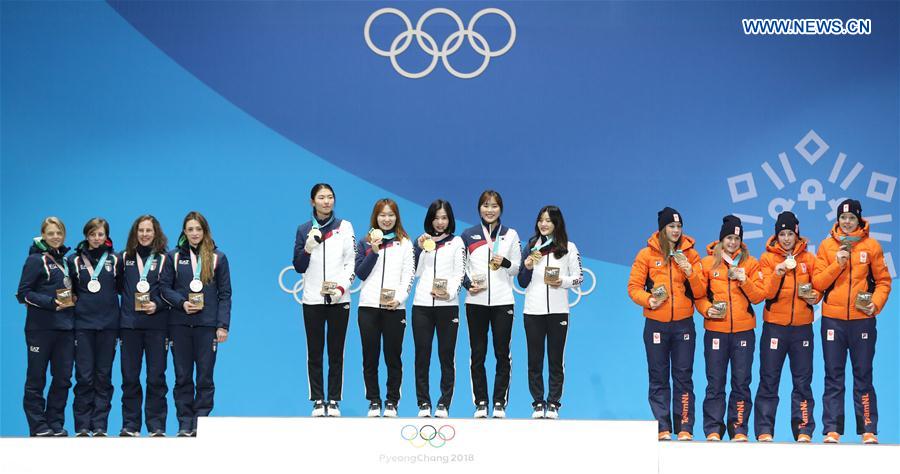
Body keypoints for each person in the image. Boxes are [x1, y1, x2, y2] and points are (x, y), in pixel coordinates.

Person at [812, 199, 892, 444]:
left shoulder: (872, 246)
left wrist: (875, 304)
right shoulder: (827, 247)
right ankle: (832, 428)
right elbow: (818, 283)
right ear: (838, 220)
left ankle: (868, 428)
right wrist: (838, 263)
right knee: (833, 375)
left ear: (859, 220)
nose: (847, 223)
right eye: (843, 218)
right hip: (833, 321)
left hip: (862, 322)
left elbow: (883, 282)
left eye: (851, 218)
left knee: (863, 374)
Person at [627, 207, 704, 441]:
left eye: (679, 226)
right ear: (662, 229)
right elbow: (633, 288)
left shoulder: (690, 254)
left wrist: (690, 271)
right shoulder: (646, 255)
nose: (676, 230)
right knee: (658, 375)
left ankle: (684, 426)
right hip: (656, 325)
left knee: (683, 376)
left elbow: (700, 291)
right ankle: (662, 426)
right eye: (671, 226)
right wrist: (649, 300)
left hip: (683, 325)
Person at [695, 215, 766, 442]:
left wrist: (744, 280)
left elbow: (758, 297)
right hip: (716, 331)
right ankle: (713, 429)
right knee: (715, 382)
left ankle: (739, 428)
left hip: (744, 332)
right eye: (729, 238)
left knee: (741, 382)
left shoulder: (751, 264)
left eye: (736, 238)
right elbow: (698, 295)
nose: (733, 242)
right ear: (721, 239)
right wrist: (707, 310)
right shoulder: (707, 263)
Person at [161, 211, 232, 436]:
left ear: (205, 231)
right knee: (182, 376)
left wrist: (222, 325)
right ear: (184, 231)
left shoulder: (217, 257)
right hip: (179, 325)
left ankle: (201, 422)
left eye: (198, 229)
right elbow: (164, 288)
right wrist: (182, 303)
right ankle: (184, 422)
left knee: (204, 376)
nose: (194, 233)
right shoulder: (173, 256)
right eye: (190, 229)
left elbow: (225, 294)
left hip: (207, 326)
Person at [753, 211, 820, 443]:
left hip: (802, 328)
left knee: (802, 382)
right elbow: (765, 294)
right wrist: (778, 272)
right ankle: (764, 430)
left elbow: (819, 285)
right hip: (775, 328)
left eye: (790, 233)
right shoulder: (767, 259)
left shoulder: (809, 259)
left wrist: (816, 296)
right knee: (769, 380)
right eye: (782, 234)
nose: (786, 238)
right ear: (776, 235)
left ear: (797, 233)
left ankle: (803, 429)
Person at [292, 183, 356, 417]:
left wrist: (340, 288)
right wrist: (308, 248)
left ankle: (334, 400)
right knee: (315, 351)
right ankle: (318, 399)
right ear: (312, 202)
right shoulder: (303, 229)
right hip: (312, 299)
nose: (326, 201)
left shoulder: (345, 227)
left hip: (340, 299)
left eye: (330, 197)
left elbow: (352, 262)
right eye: (321, 197)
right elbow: (298, 265)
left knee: (336, 351)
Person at [460, 190, 521, 418]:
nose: (489, 209)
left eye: (494, 205)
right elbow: (461, 267)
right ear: (479, 208)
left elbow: (517, 268)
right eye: (485, 205)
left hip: (503, 300)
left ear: (501, 209)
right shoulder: (468, 234)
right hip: (475, 301)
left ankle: (499, 402)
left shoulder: (511, 234)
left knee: (502, 352)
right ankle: (481, 402)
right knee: (478, 353)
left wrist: (504, 262)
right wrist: (467, 284)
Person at [518, 205, 582, 419]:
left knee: (556, 359)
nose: (544, 224)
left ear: (557, 224)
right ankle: (537, 402)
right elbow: (521, 281)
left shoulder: (568, 247)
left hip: (558, 312)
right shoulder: (530, 246)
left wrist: (561, 281)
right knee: (534, 360)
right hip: (533, 311)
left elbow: (579, 277)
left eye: (548, 221)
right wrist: (526, 266)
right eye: (541, 220)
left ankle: (554, 403)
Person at [354, 199, 414, 417]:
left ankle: (392, 401)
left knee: (393, 356)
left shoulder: (405, 243)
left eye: (391, 215)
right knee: (370, 357)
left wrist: (399, 299)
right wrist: (374, 251)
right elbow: (360, 273)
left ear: (396, 217)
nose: (386, 219)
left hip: (394, 308)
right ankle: (373, 400)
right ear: (375, 217)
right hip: (368, 307)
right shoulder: (364, 242)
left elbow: (408, 275)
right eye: (382, 215)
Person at [16, 217, 76, 437]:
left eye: (59, 233)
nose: (55, 237)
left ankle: (55, 423)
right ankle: (38, 425)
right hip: (40, 329)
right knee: (37, 377)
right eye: (50, 233)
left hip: (65, 330)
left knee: (63, 378)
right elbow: (23, 294)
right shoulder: (35, 260)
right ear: (43, 235)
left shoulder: (67, 261)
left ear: (64, 235)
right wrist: (51, 303)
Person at [411, 199, 465, 418]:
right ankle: (423, 403)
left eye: (444, 218)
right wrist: (419, 248)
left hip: (447, 307)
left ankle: (444, 403)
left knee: (446, 355)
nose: (440, 222)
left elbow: (460, 273)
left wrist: (449, 292)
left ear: (449, 219)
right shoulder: (424, 242)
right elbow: (414, 272)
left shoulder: (457, 242)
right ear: (430, 219)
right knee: (422, 355)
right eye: (436, 217)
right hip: (422, 306)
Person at [118, 215, 169, 437]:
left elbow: (170, 290)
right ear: (135, 233)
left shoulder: (166, 259)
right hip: (129, 326)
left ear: (156, 233)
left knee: (156, 377)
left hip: (157, 326)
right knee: (130, 377)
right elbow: (118, 287)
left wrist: (156, 304)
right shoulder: (124, 258)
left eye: (149, 230)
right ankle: (131, 425)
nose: (145, 234)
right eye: (141, 230)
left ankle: (156, 426)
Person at [68, 218, 120, 437]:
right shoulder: (74, 260)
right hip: (83, 326)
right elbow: (69, 291)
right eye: (93, 234)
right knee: (84, 377)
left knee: (103, 376)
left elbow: (124, 288)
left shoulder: (116, 260)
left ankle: (99, 425)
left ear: (106, 236)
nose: (97, 238)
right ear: (86, 235)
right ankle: (81, 425)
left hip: (109, 326)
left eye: (101, 234)